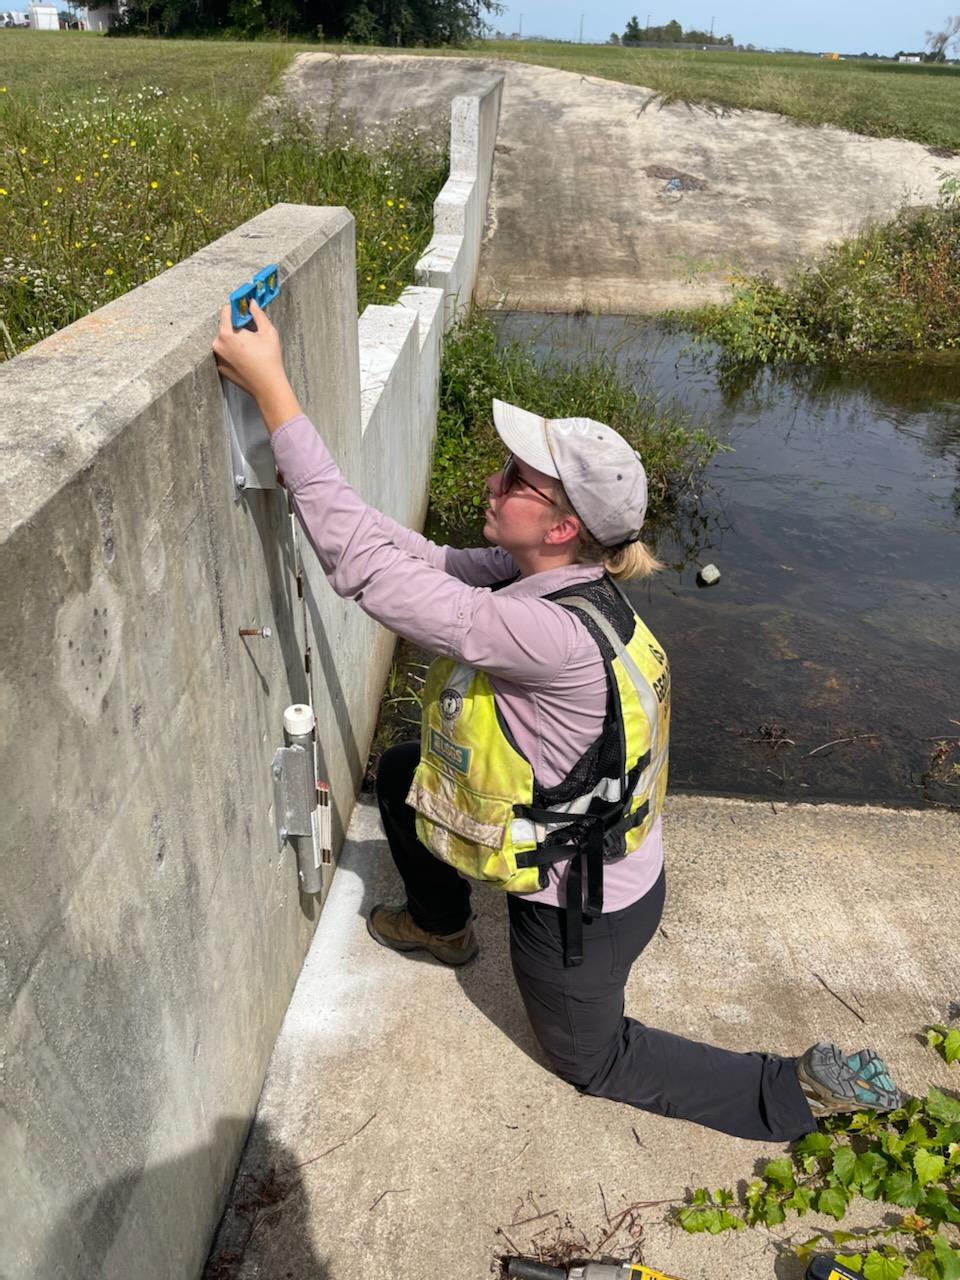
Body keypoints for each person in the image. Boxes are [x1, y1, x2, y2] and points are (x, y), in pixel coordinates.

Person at [213, 301, 903, 1142]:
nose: (493, 482)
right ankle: (441, 924)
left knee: (593, 1060)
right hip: (609, 860)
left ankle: (796, 1093)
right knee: (402, 774)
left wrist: (272, 390)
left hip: (586, 915)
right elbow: (406, 555)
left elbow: (357, 568)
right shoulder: (542, 579)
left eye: (516, 481)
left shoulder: (542, 635)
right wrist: (300, 464)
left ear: (564, 526)